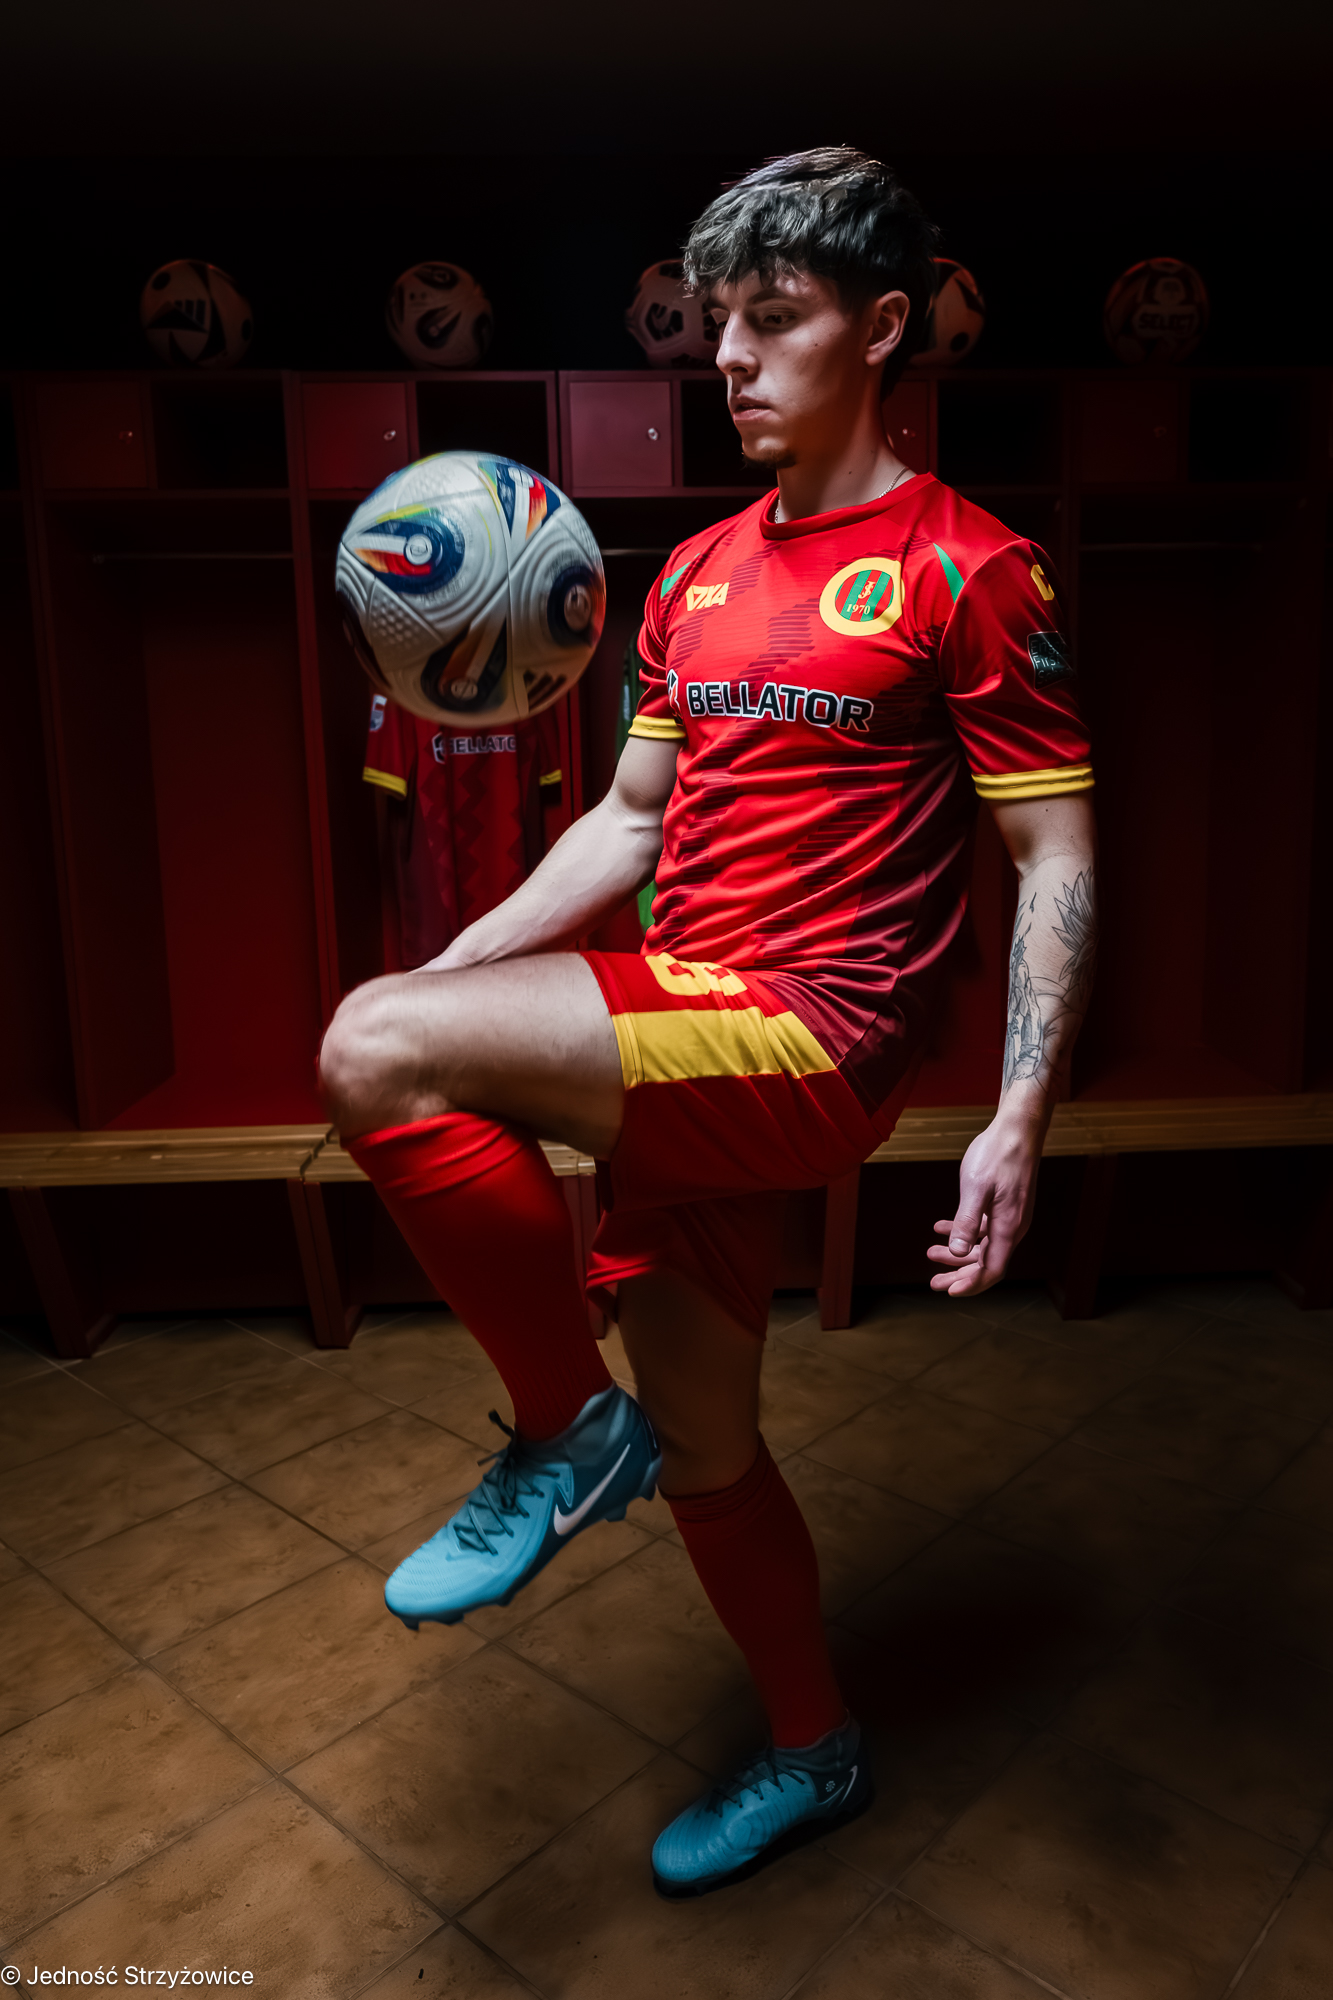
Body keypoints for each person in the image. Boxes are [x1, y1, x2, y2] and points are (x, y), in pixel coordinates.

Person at [318, 146, 1098, 1899]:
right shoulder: (688, 574)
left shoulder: (972, 569)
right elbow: (625, 824)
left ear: (879, 330)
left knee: (369, 1052)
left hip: (812, 1034)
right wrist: (457, 970)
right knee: (708, 1448)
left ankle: (553, 1430)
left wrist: (1017, 1113)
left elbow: (1053, 854)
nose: (727, 355)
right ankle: (817, 1749)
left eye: (773, 317)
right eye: (715, 321)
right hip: (687, 1030)